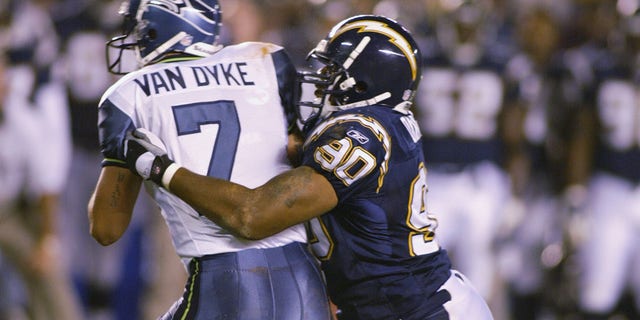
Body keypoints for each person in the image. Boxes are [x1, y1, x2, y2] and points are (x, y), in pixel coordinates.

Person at [124, 14, 494, 320]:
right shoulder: (379, 125)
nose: (319, 86)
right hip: (393, 306)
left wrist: (161, 169)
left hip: (422, 311)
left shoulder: (360, 134)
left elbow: (253, 216)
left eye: (332, 74)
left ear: (363, 83)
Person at [87, 0, 331, 319]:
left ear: (160, 26)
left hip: (225, 282)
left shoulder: (130, 95)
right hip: (304, 279)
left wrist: (132, 160)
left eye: (140, 27)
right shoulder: (267, 60)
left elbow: (106, 229)